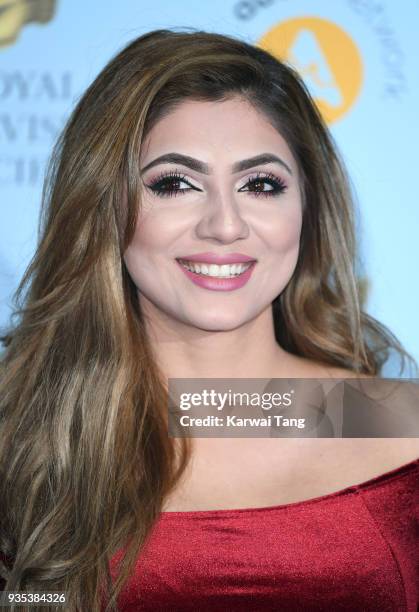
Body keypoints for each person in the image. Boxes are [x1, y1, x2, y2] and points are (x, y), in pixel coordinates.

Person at [0, 27, 418, 612]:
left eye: (261, 184)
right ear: (104, 206)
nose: (225, 225)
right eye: (175, 184)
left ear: (307, 207)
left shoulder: (395, 418)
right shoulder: (27, 440)